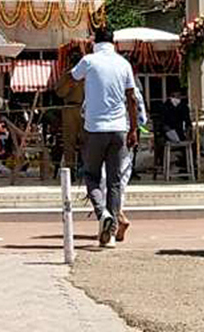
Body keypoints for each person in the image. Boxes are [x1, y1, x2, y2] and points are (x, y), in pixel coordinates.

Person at [71, 22, 139, 247]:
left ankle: (103, 215)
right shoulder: (123, 63)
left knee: (91, 175)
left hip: (95, 129)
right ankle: (109, 230)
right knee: (115, 180)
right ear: (113, 42)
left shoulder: (89, 61)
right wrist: (134, 129)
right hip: (119, 128)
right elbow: (132, 98)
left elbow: (72, 77)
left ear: (94, 42)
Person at [54, 51, 86, 172]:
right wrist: (70, 83)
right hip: (69, 108)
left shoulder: (86, 73)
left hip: (84, 107)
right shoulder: (67, 74)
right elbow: (59, 92)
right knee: (69, 140)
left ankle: (85, 167)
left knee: (86, 139)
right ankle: (70, 169)